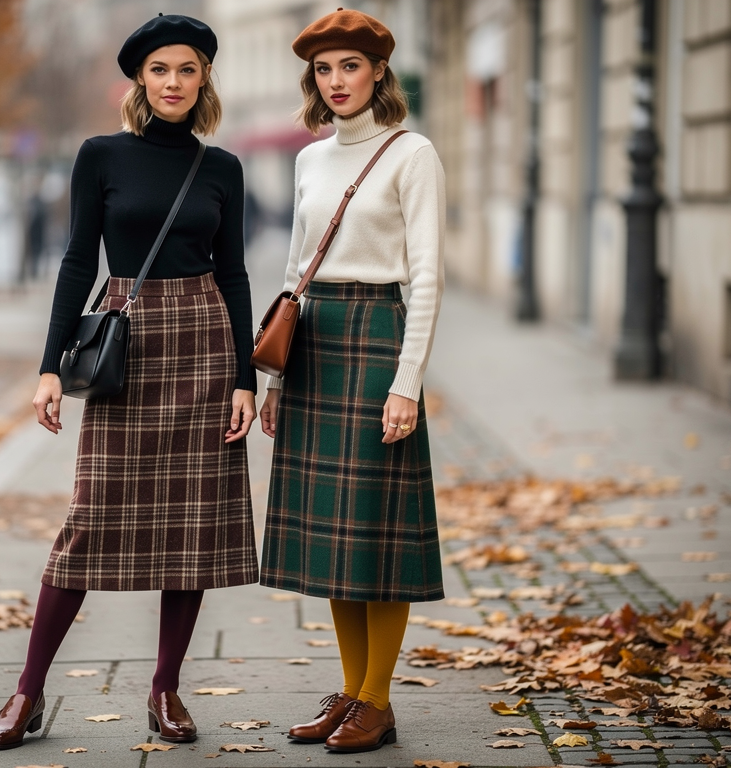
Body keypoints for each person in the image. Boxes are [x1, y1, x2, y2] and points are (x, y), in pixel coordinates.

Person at [0, 13, 258, 750]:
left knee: (192, 529)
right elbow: (78, 262)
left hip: (203, 348)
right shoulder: (101, 155)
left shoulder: (223, 167)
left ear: (205, 79)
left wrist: (244, 379)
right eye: (161, 69)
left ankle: (166, 688)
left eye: (188, 69)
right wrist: (49, 366)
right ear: (140, 78)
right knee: (89, 522)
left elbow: (233, 274)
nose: (174, 82)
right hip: (126, 348)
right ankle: (27, 692)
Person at [258, 8, 446, 755]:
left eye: (350, 67)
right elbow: (293, 273)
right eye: (324, 69)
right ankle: (349, 691)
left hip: (376, 338)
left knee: (376, 532)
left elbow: (428, 276)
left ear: (377, 73)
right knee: (333, 538)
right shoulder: (309, 159)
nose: (336, 81)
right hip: (317, 341)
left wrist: (407, 381)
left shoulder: (412, 153)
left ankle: (378, 699)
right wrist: (276, 380)